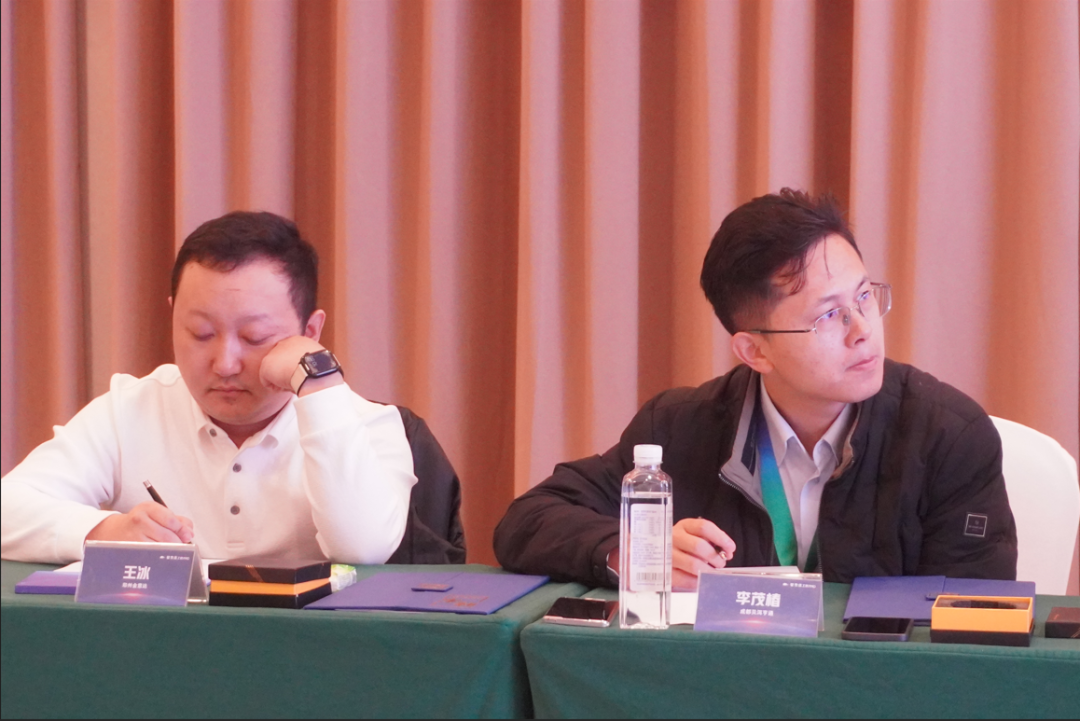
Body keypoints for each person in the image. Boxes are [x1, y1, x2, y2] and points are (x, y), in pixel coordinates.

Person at [494, 188, 1017, 588]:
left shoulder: (947, 437)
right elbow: (528, 521)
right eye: (829, 315)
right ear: (754, 351)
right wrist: (630, 551)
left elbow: (970, 636)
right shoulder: (681, 427)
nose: (863, 329)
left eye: (864, 297)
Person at [1, 211, 449, 566]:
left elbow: (363, 549)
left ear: (310, 332)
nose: (225, 363)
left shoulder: (368, 426)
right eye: (200, 334)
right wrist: (103, 531)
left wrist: (318, 378)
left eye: (255, 338)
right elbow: (9, 507)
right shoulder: (130, 410)